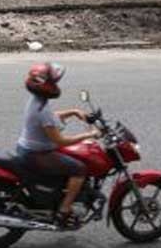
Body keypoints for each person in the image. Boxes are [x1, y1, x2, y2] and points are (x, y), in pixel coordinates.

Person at [16, 62, 99, 229]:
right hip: (36, 155)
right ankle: (64, 209)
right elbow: (60, 141)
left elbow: (52, 118)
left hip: (28, 149)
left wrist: (74, 112)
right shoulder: (42, 110)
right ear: (46, 86)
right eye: (53, 83)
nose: (56, 86)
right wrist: (88, 135)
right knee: (79, 169)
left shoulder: (37, 101)